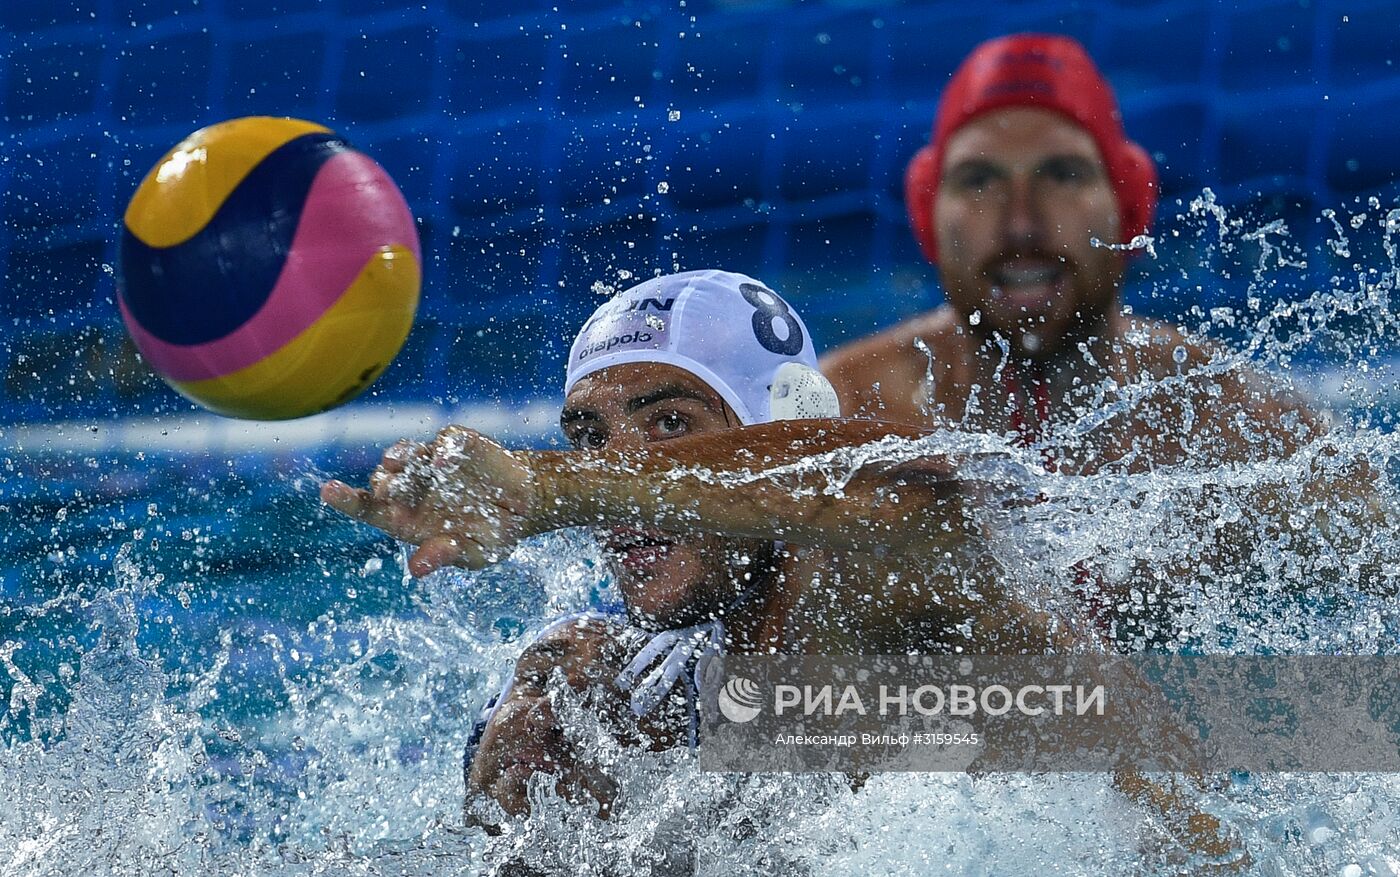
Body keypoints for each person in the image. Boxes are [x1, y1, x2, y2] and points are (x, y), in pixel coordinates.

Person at [322, 270, 1244, 863]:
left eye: (672, 421)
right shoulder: (654, 669)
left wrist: (549, 487)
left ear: (776, 433)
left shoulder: (869, 565)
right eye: (592, 437)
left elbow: (895, 495)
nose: (624, 470)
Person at [819, 33, 1322, 473]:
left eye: (1062, 175)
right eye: (979, 180)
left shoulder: (1255, 435)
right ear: (927, 215)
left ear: (1130, 208)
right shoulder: (836, 411)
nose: (1021, 223)